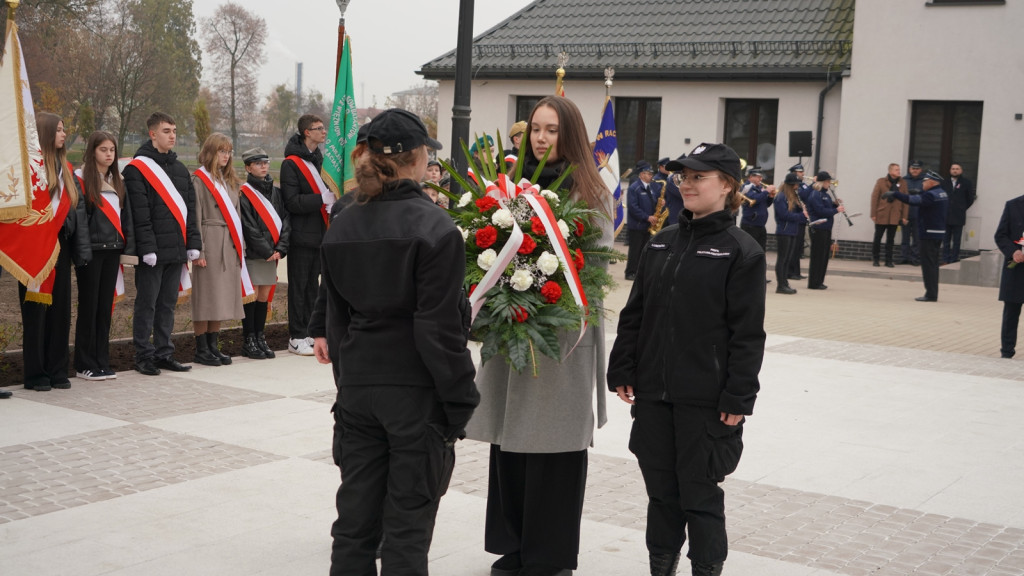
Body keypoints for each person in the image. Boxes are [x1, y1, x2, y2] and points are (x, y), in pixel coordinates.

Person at [320, 107, 478, 576]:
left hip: (360, 390)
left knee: (354, 527)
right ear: (415, 158)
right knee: (407, 530)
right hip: (414, 393)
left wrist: (349, 385)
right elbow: (439, 329)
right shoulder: (435, 227)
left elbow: (337, 321)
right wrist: (460, 398)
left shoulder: (343, 224)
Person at [466, 95, 613, 576]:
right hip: (514, 332)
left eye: (552, 130)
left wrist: (545, 289)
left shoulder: (592, 193)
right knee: (509, 442)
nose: (542, 138)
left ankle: (548, 557)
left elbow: (596, 266)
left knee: (553, 447)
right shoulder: (509, 190)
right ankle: (513, 545)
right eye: (535, 130)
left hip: (561, 339)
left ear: (570, 135)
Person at [608, 142, 765, 576]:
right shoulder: (662, 242)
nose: (686, 184)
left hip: (705, 400)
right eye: (683, 176)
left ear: (727, 185)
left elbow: (748, 333)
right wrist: (622, 368)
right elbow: (635, 313)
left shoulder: (741, 250)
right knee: (662, 494)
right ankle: (661, 567)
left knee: (699, 495)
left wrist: (738, 396)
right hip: (655, 395)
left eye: (698, 176)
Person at [124, 112, 202, 376]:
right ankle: (143, 355)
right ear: (152, 134)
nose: (172, 136)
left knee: (168, 303)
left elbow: (190, 211)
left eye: (175, 131)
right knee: (147, 304)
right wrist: (147, 248)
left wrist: (193, 244)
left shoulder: (180, 170)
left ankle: (164, 353)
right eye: (167, 131)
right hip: (152, 253)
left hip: (176, 250)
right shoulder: (137, 169)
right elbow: (140, 214)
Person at [19, 112, 91, 391]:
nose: (63, 134)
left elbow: (78, 211)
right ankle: (36, 374)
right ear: (46, 133)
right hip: (35, 248)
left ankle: (57, 369)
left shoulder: (68, 171)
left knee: (60, 310)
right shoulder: (30, 169)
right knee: (37, 312)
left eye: (64, 130)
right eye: (59, 130)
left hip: (62, 247)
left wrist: (80, 250)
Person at [74, 131, 136, 381]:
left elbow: (126, 218)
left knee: (104, 308)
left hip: (113, 251)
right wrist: (83, 251)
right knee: (89, 308)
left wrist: (128, 250)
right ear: (92, 151)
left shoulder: (118, 180)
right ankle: (83, 363)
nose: (109, 154)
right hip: (91, 252)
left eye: (112, 149)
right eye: (103, 149)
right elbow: (81, 220)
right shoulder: (80, 179)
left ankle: (101, 359)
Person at [189, 133, 246, 366]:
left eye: (229, 151)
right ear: (211, 152)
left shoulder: (229, 180)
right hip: (209, 241)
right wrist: (199, 250)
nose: (226, 155)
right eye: (222, 151)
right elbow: (195, 217)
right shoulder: (200, 180)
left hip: (228, 243)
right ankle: (201, 348)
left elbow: (238, 216)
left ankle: (213, 346)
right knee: (205, 297)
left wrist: (240, 246)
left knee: (220, 298)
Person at [281, 113, 331, 356]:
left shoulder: (320, 159)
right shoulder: (291, 163)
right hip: (301, 236)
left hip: (321, 233)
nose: (323, 132)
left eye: (324, 127)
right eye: (318, 128)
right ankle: (296, 336)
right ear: (306, 132)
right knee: (298, 287)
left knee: (314, 287)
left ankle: (311, 333)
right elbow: (291, 202)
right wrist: (321, 199)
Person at [239, 147, 290, 360]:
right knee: (251, 296)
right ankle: (248, 339)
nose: (263, 166)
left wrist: (281, 248)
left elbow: (286, 221)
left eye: (265, 162)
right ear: (248, 167)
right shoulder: (244, 193)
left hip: (273, 254)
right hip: (255, 253)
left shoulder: (276, 192)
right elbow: (248, 226)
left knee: (263, 296)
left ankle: (260, 337)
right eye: (258, 163)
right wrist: (267, 250)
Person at [884, 171, 948, 301]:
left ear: (931, 182)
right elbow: (925, 199)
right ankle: (932, 292)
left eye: (925, 181)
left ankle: (930, 294)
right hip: (938, 233)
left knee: (928, 265)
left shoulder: (930, 195)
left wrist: (896, 194)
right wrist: (919, 192)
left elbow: (913, 201)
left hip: (928, 233)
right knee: (933, 264)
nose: (922, 183)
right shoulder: (941, 192)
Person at [995, 193, 1024, 358]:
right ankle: (1007, 351)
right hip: (1017, 267)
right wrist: (1013, 252)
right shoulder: (1013, 205)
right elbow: (1000, 235)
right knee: (1011, 311)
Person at [804, 171, 844, 290]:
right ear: (822, 182)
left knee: (824, 256)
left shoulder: (825, 194)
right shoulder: (815, 194)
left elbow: (827, 207)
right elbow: (820, 211)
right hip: (818, 228)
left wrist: (835, 205)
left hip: (826, 228)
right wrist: (836, 210)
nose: (829, 184)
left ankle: (820, 280)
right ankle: (813, 282)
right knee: (818, 256)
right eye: (827, 182)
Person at [772, 173, 807, 294]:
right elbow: (783, 215)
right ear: (790, 185)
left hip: (792, 230)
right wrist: (801, 215)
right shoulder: (781, 197)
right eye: (796, 185)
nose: (797, 187)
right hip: (784, 231)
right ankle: (780, 285)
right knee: (782, 258)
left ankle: (785, 282)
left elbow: (794, 213)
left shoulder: (793, 197)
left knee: (788, 258)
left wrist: (801, 209)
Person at [869, 163, 909, 268]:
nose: (898, 171)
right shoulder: (881, 181)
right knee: (878, 237)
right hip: (882, 213)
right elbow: (875, 198)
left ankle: (888, 260)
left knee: (890, 239)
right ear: (890, 171)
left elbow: (905, 200)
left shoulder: (903, 183)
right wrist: (873, 213)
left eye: (899, 169)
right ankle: (876, 259)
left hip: (895, 214)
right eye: (896, 170)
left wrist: (904, 216)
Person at [625, 161, 658, 280]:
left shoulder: (650, 187)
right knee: (635, 250)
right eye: (649, 174)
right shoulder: (635, 188)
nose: (651, 176)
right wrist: (647, 217)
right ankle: (630, 272)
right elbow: (633, 207)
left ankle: (639, 272)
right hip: (637, 225)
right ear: (642, 174)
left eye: (651, 174)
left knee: (643, 250)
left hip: (647, 225)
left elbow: (652, 202)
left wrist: (659, 203)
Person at [942, 162, 976, 264]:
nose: (955, 170)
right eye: (953, 169)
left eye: (957, 169)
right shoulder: (944, 182)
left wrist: (962, 208)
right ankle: (945, 259)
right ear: (950, 170)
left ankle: (954, 259)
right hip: (946, 215)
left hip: (958, 216)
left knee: (956, 241)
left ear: (961, 171)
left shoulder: (966, 183)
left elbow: (970, 199)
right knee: (946, 240)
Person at [739, 168, 775, 253]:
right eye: (759, 177)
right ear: (751, 177)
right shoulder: (746, 187)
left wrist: (770, 197)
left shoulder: (760, 188)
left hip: (760, 224)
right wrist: (766, 192)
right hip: (750, 224)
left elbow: (766, 204)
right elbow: (754, 199)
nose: (761, 179)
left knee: (761, 250)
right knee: (751, 250)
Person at [787, 163, 809, 280]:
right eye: (801, 172)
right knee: (794, 248)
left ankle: (797, 271)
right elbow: (804, 194)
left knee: (799, 247)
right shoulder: (794, 187)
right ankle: (791, 272)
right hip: (796, 220)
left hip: (802, 219)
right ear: (795, 173)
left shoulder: (803, 185)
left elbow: (807, 196)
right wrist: (814, 184)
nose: (803, 174)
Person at [899, 160, 924, 265]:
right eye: (913, 168)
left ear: (921, 170)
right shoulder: (903, 180)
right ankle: (904, 257)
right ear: (909, 169)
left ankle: (915, 259)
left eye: (917, 169)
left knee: (917, 239)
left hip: (919, 213)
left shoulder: (924, 181)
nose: (915, 170)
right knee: (905, 238)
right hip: (906, 214)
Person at [655, 156, 685, 227]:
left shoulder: (682, 177)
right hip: (676, 216)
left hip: (682, 215)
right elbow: (682, 194)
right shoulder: (673, 179)